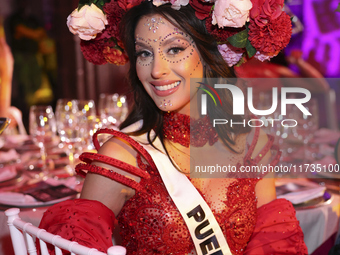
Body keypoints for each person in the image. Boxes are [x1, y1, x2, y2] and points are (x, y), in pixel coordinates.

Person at [39, 0, 308, 254]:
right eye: (145, 53)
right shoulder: (122, 159)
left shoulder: (253, 146)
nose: (156, 69)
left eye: (175, 49)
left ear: (208, 53)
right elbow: (71, 247)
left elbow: (271, 244)